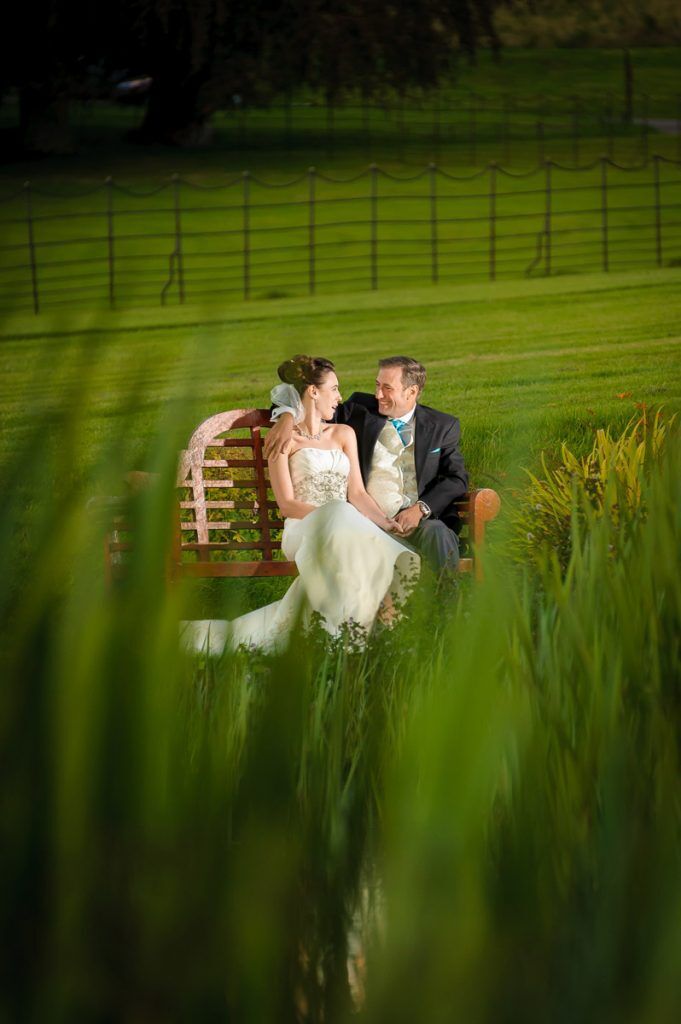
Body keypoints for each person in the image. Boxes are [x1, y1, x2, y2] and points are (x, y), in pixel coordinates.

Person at [181, 355, 419, 655]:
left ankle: (367, 633)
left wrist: (385, 523)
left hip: (345, 528)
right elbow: (287, 505)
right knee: (342, 514)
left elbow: (357, 494)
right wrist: (333, 513)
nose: (339, 397)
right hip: (303, 528)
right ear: (313, 392)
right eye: (334, 389)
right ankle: (370, 632)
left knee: (347, 521)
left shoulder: (343, 434)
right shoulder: (284, 440)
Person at [265, 356, 467, 574]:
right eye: (377, 385)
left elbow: (456, 478)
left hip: (419, 522)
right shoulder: (359, 410)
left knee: (436, 532)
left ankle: (446, 607)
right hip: (367, 522)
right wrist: (286, 416)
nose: (378, 394)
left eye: (387, 388)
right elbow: (301, 394)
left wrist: (421, 509)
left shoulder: (442, 425)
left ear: (411, 392)